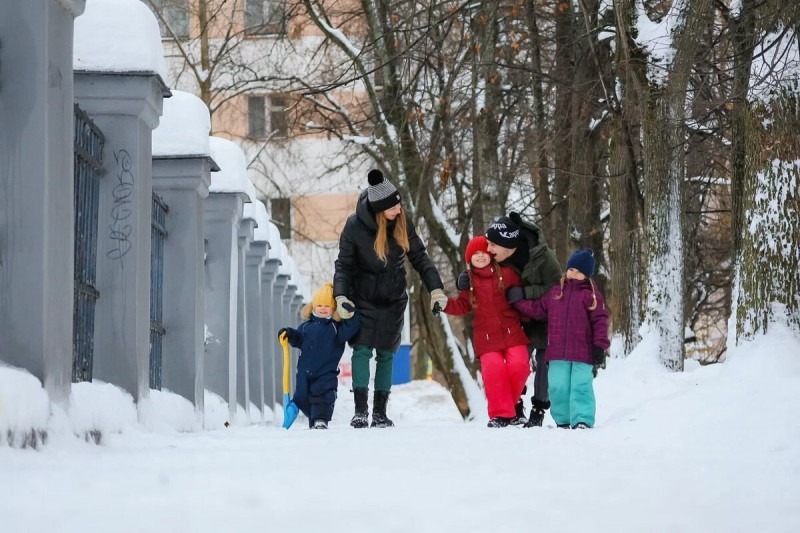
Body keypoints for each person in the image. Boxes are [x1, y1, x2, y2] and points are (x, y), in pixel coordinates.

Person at [334, 169, 447, 428]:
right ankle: (361, 410)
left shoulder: (402, 224)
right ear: (379, 209)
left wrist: (436, 289)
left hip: (393, 299)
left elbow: (420, 258)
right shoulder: (354, 226)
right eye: (393, 206)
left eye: (399, 203)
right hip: (362, 298)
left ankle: (380, 412)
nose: (399, 208)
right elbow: (344, 265)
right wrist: (340, 296)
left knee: (386, 354)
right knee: (361, 350)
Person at [460, 213, 561, 427]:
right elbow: (482, 273)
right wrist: (466, 278)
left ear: (507, 244)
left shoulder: (543, 257)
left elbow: (556, 287)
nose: (489, 249)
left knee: (544, 362)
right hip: (518, 319)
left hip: (545, 317)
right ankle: (514, 407)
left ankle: (539, 409)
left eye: (492, 245)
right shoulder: (499, 257)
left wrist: (526, 292)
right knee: (517, 362)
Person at [511, 249, 610, 429]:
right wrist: (518, 301)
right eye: (571, 269)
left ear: (586, 275)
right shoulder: (556, 293)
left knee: (580, 386)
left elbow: (600, 321)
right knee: (558, 387)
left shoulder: (591, 296)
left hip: (583, 353)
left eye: (579, 271)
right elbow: (537, 309)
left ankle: (582, 419)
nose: (573, 274)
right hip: (557, 353)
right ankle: (563, 420)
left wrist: (599, 346)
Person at [441, 236, 531, 427]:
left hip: (512, 331)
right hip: (486, 336)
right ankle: (502, 415)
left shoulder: (508, 274)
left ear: (492, 254)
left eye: (484, 252)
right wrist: (444, 304)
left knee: (520, 365)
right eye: (476, 254)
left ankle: (512, 406)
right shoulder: (469, 281)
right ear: (469, 258)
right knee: (493, 371)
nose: (480, 256)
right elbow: (462, 306)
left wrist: (526, 298)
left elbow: (524, 288)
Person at [278, 282, 360, 429]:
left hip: (325, 373)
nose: (323, 309)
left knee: (322, 395)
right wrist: (289, 334)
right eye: (320, 305)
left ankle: (320, 419)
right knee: (302, 396)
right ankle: (302, 412)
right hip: (304, 372)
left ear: (334, 309)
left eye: (327, 306)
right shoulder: (306, 326)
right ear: (313, 306)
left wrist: (351, 315)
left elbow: (351, 328)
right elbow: (298, 338)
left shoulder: (336, 328)